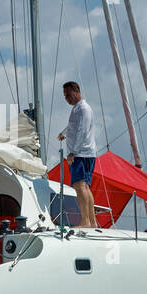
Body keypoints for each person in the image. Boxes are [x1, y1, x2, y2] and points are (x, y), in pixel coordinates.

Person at [57, 81, 98, 228]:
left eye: (68, 94)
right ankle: (92, 222)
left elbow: (82, 130)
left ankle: (86, 221)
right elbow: (74, 126)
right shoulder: (78, 109)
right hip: (85, 153)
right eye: (65, 96)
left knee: (79, 186)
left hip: (81, 154)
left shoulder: (83, 109)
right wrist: (64, 133)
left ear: (76, 92)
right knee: (85, 187)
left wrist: (73, 152)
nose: (66, 98)